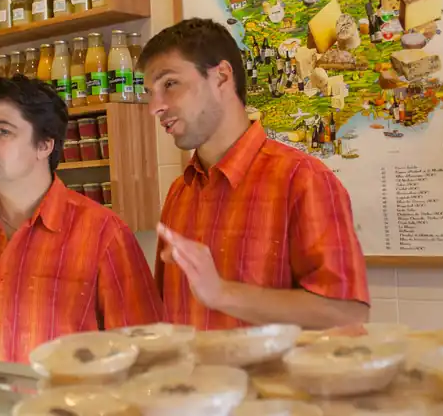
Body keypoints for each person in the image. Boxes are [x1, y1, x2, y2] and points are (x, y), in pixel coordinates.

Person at [140, 18, 370, 330]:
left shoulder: (303, 179)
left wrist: (223, 293)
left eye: (169, 84)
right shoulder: (180, 191)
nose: (155, 107)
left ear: (221, 76)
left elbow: (349, 315)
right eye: (149, 92)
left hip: (269, 380)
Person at [0, 75, 163, 361]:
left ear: (45, 146)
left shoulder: (103, 233)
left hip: (70, 405)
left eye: (2, 131)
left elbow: (142, 350)